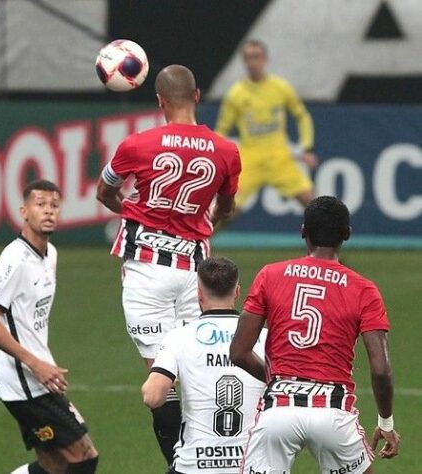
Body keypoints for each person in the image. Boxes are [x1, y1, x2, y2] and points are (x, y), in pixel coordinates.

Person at [96, 64, 241, 468]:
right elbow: (227, 207)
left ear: (159, 101)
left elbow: (104, 191)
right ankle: (219, 460)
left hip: (145, 271)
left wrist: (134, 214)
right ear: (197, 97)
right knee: (203, 369)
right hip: (195, 271)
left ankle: (180, 464)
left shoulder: (136, 145)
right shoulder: (226, 151)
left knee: (162, 378)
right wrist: (207, 217)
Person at [230, 196, 400, 473]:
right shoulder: (364, 289)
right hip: (333, 410)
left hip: (279, 410)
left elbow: (238, 352)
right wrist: (386, 423)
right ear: (348, 234)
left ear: (303, 231)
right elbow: (381, 370)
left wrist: (278, 382)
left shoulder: (270, 275)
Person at [0, 180, 99, 474]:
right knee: (84, 456)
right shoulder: (15, 260)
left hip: (39, 375)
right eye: (40, 204)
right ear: (24, 212)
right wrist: (35, 363)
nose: (48, 211)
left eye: (54, 205)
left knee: (54, 465)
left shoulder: (50, 254)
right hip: (25, 381)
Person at [141, 257, 266, 474]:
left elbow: (153, 396)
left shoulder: (179, 337)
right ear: (237, 292)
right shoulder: (263, 338)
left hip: (194, 466)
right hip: (251, 465)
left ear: (198, 294)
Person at [215, 39, 317, 210]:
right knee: (226, 210)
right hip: (249, 159)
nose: (253, 62)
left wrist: (305, 148)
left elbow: (302, 116)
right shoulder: (235, 94)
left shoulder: (280, 87)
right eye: (248, 58)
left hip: (279, 157)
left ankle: (333, 237)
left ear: (265, 59)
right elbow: (222, 130)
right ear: (244, 61)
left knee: (313, 204)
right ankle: (200, 237)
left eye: (257, 57)